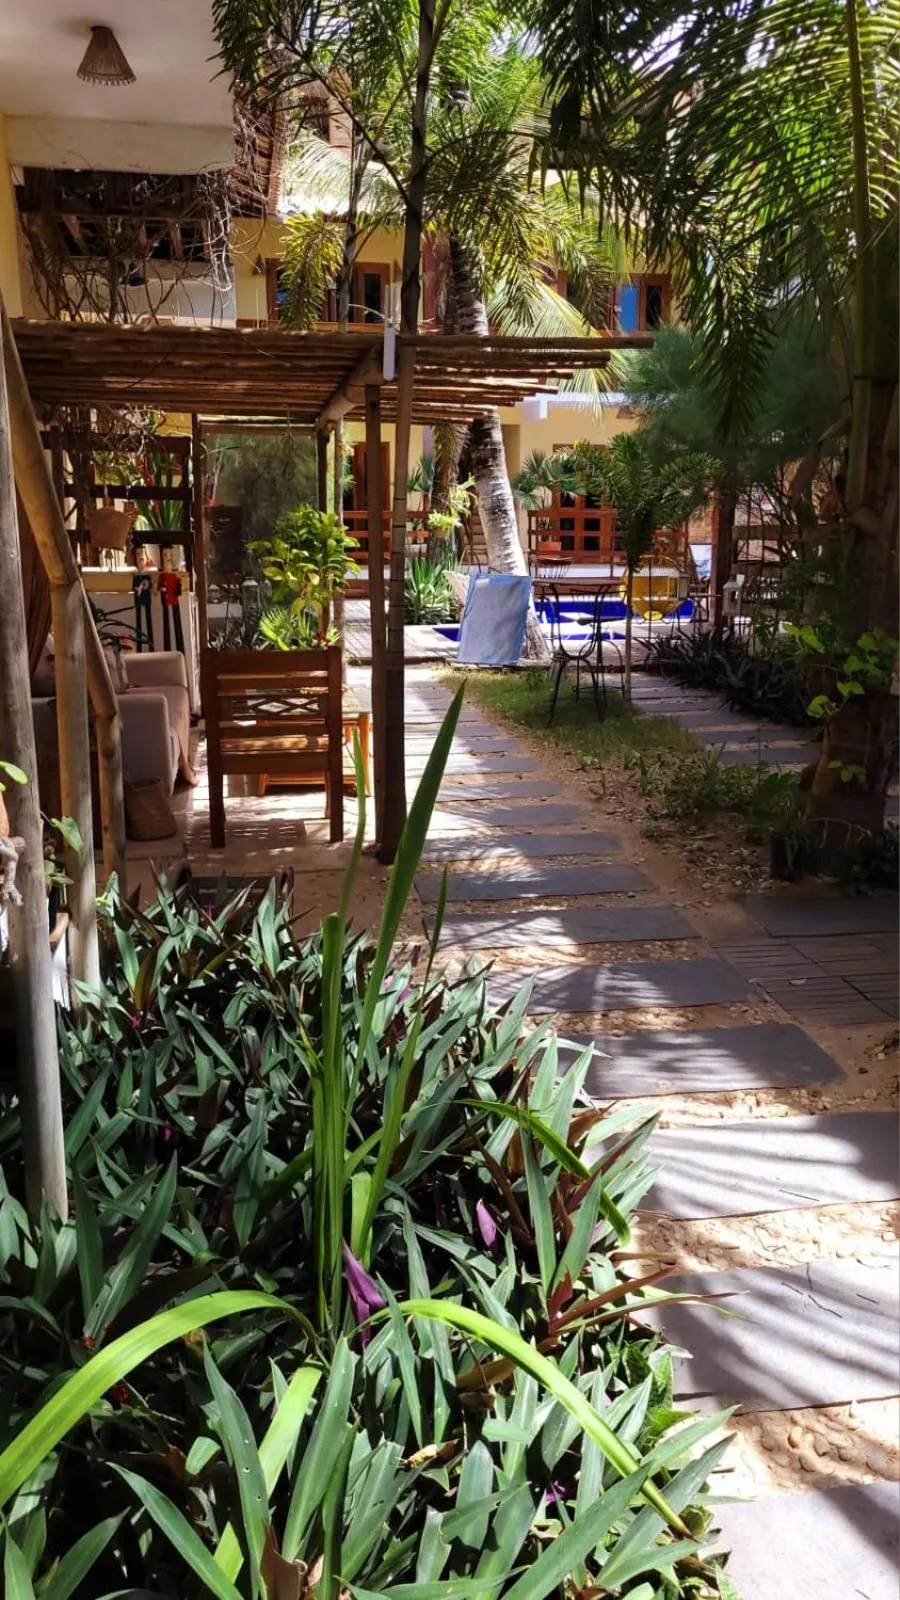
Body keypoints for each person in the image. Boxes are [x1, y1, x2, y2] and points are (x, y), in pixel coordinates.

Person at [157, 546, 185, 654]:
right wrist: (161, 589)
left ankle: (181, 652)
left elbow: (179, 589)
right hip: (165, 601)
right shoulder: (162, 577)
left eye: (169, 554)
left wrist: (178, 589)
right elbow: (159, 588)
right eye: (164, 555)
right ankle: (168, 655)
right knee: (166, 628)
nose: (167, 558)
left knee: (177, 627)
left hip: (174, 600)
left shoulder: (174, 576)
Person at [131, 543, 155, 651]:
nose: (140, 560)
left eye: (141, 557)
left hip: (147, 599)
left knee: (149, 621)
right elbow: (134, 588)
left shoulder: (147, 575)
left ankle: (151, 647)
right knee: (138, 623)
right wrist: (139, 588)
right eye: (138, 556)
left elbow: (150, 586)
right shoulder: (136, 576)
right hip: (138, 600)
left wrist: (151, 587)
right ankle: (139, 649)